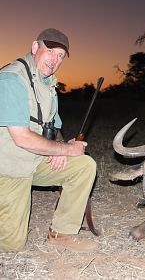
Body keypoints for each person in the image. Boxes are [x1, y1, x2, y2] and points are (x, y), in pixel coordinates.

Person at [0, 28, 98, 253]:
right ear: (35, 47)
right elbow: (22, 138)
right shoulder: (11, 79)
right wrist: (63, 149)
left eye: (61, 56)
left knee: (83, 165)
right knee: (11, 245)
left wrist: (62, 150)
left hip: (33, 161)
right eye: (51, 51)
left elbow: (54, 128)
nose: (55, 60)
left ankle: (61, 233)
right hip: (8, 167)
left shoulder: (49, 85)